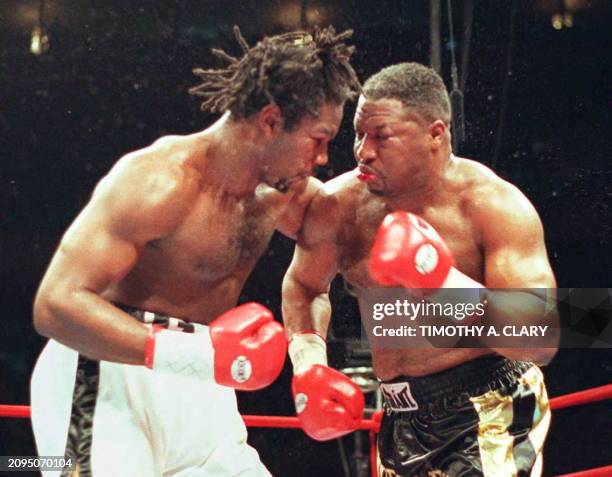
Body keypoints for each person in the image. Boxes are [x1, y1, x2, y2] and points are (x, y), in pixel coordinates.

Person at [31, 26, 361, 477]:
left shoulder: (283, 191)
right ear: (270, 121)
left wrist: (309, 364)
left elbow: (333, 250)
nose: (323, 157)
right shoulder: (160, 180)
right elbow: (53, 306)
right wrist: (194, 356)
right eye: (318, 139)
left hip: (206, 381)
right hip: (105, 377)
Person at [282, 62, 558, 476]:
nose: (363, 151)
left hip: (491, 403)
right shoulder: (342, 208)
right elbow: (304, 285)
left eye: (382, 137)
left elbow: (542, 338)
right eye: (359, 134)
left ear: (435, 134)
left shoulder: (492, 206)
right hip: (400, 414)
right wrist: (308, 364)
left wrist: (441, 283)